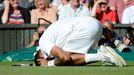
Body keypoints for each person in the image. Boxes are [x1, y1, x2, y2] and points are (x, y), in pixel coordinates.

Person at [34, 16, 126, 67]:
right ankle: (103, 54)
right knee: (76, 59)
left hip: (86, 29)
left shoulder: (43, 43)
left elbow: (65, 58)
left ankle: (101, 56)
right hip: (97, 24)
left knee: (65, 60)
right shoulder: (51, 36)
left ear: (40, 59)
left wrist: (50, 64)